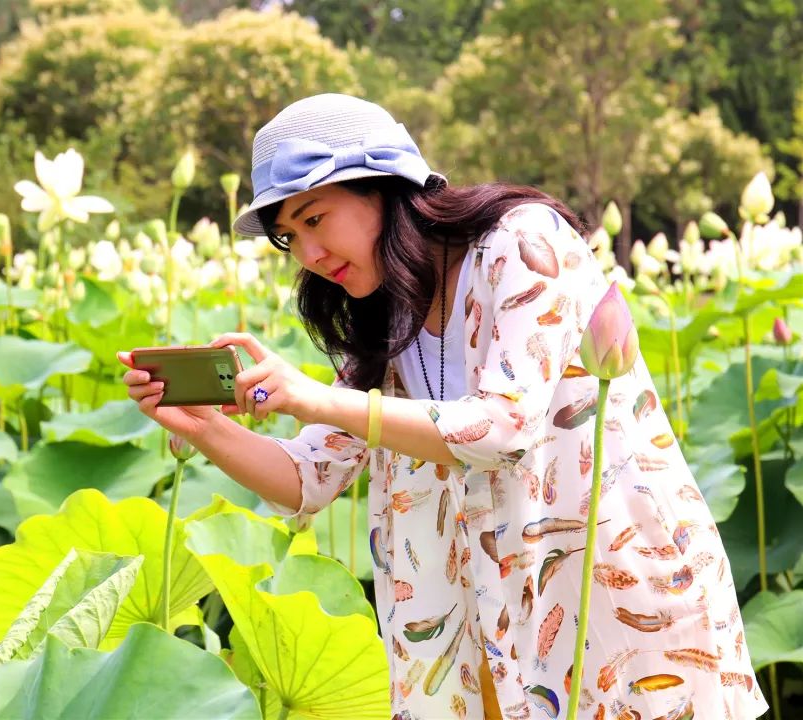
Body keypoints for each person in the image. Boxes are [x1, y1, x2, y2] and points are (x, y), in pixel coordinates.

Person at [117, 93, 770, 720]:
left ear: (387, 189)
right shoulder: (386, 319)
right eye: (289, 237)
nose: (310, 256)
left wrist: (314, 398)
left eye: (315, 218)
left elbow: (505, 426)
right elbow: (307, 479)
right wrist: (200, 427)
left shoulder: (521, 242)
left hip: (609, 600)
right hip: (475, 623)